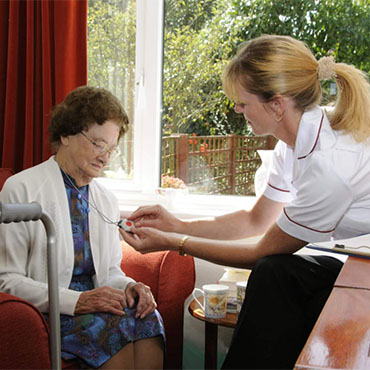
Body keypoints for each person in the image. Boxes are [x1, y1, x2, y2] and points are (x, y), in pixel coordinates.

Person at [119, 35, 370, 369]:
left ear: (277, 104)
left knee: (272, 271)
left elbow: (259, 251)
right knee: (277, 276)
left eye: (242, 102)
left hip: (362, 272)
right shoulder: (293, 143)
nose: (237, 110)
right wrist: (175, 224)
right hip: (358, 266)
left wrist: (172, 242)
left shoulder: (329, 166)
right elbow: (256, 221)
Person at [0, 86, 164, 369]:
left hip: (98, 304)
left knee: (147, 318)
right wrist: (78, 301)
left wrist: (130, 286)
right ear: (65, 135)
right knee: (112, 326)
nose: (105, 157)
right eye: (98, 144)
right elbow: (7, 280)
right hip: (51, 310)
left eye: (111, 149)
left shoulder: (105, 199)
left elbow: (110, 272)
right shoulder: (21, 189)